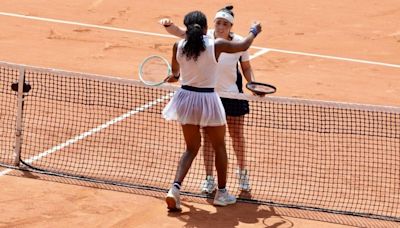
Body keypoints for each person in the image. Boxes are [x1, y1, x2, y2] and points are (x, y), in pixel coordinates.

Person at [162, 10, 261, 211]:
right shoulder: (215, 45)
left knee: (191, 148)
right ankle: (222, 193)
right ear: (207, 28)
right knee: (219, 146)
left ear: (187, 28)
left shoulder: (178, 46)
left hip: (185, 99)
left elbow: (175, 74)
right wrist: (254, 30)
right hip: (208, 100)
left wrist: (173, 77)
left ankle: (175, 189)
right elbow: (244, 45)